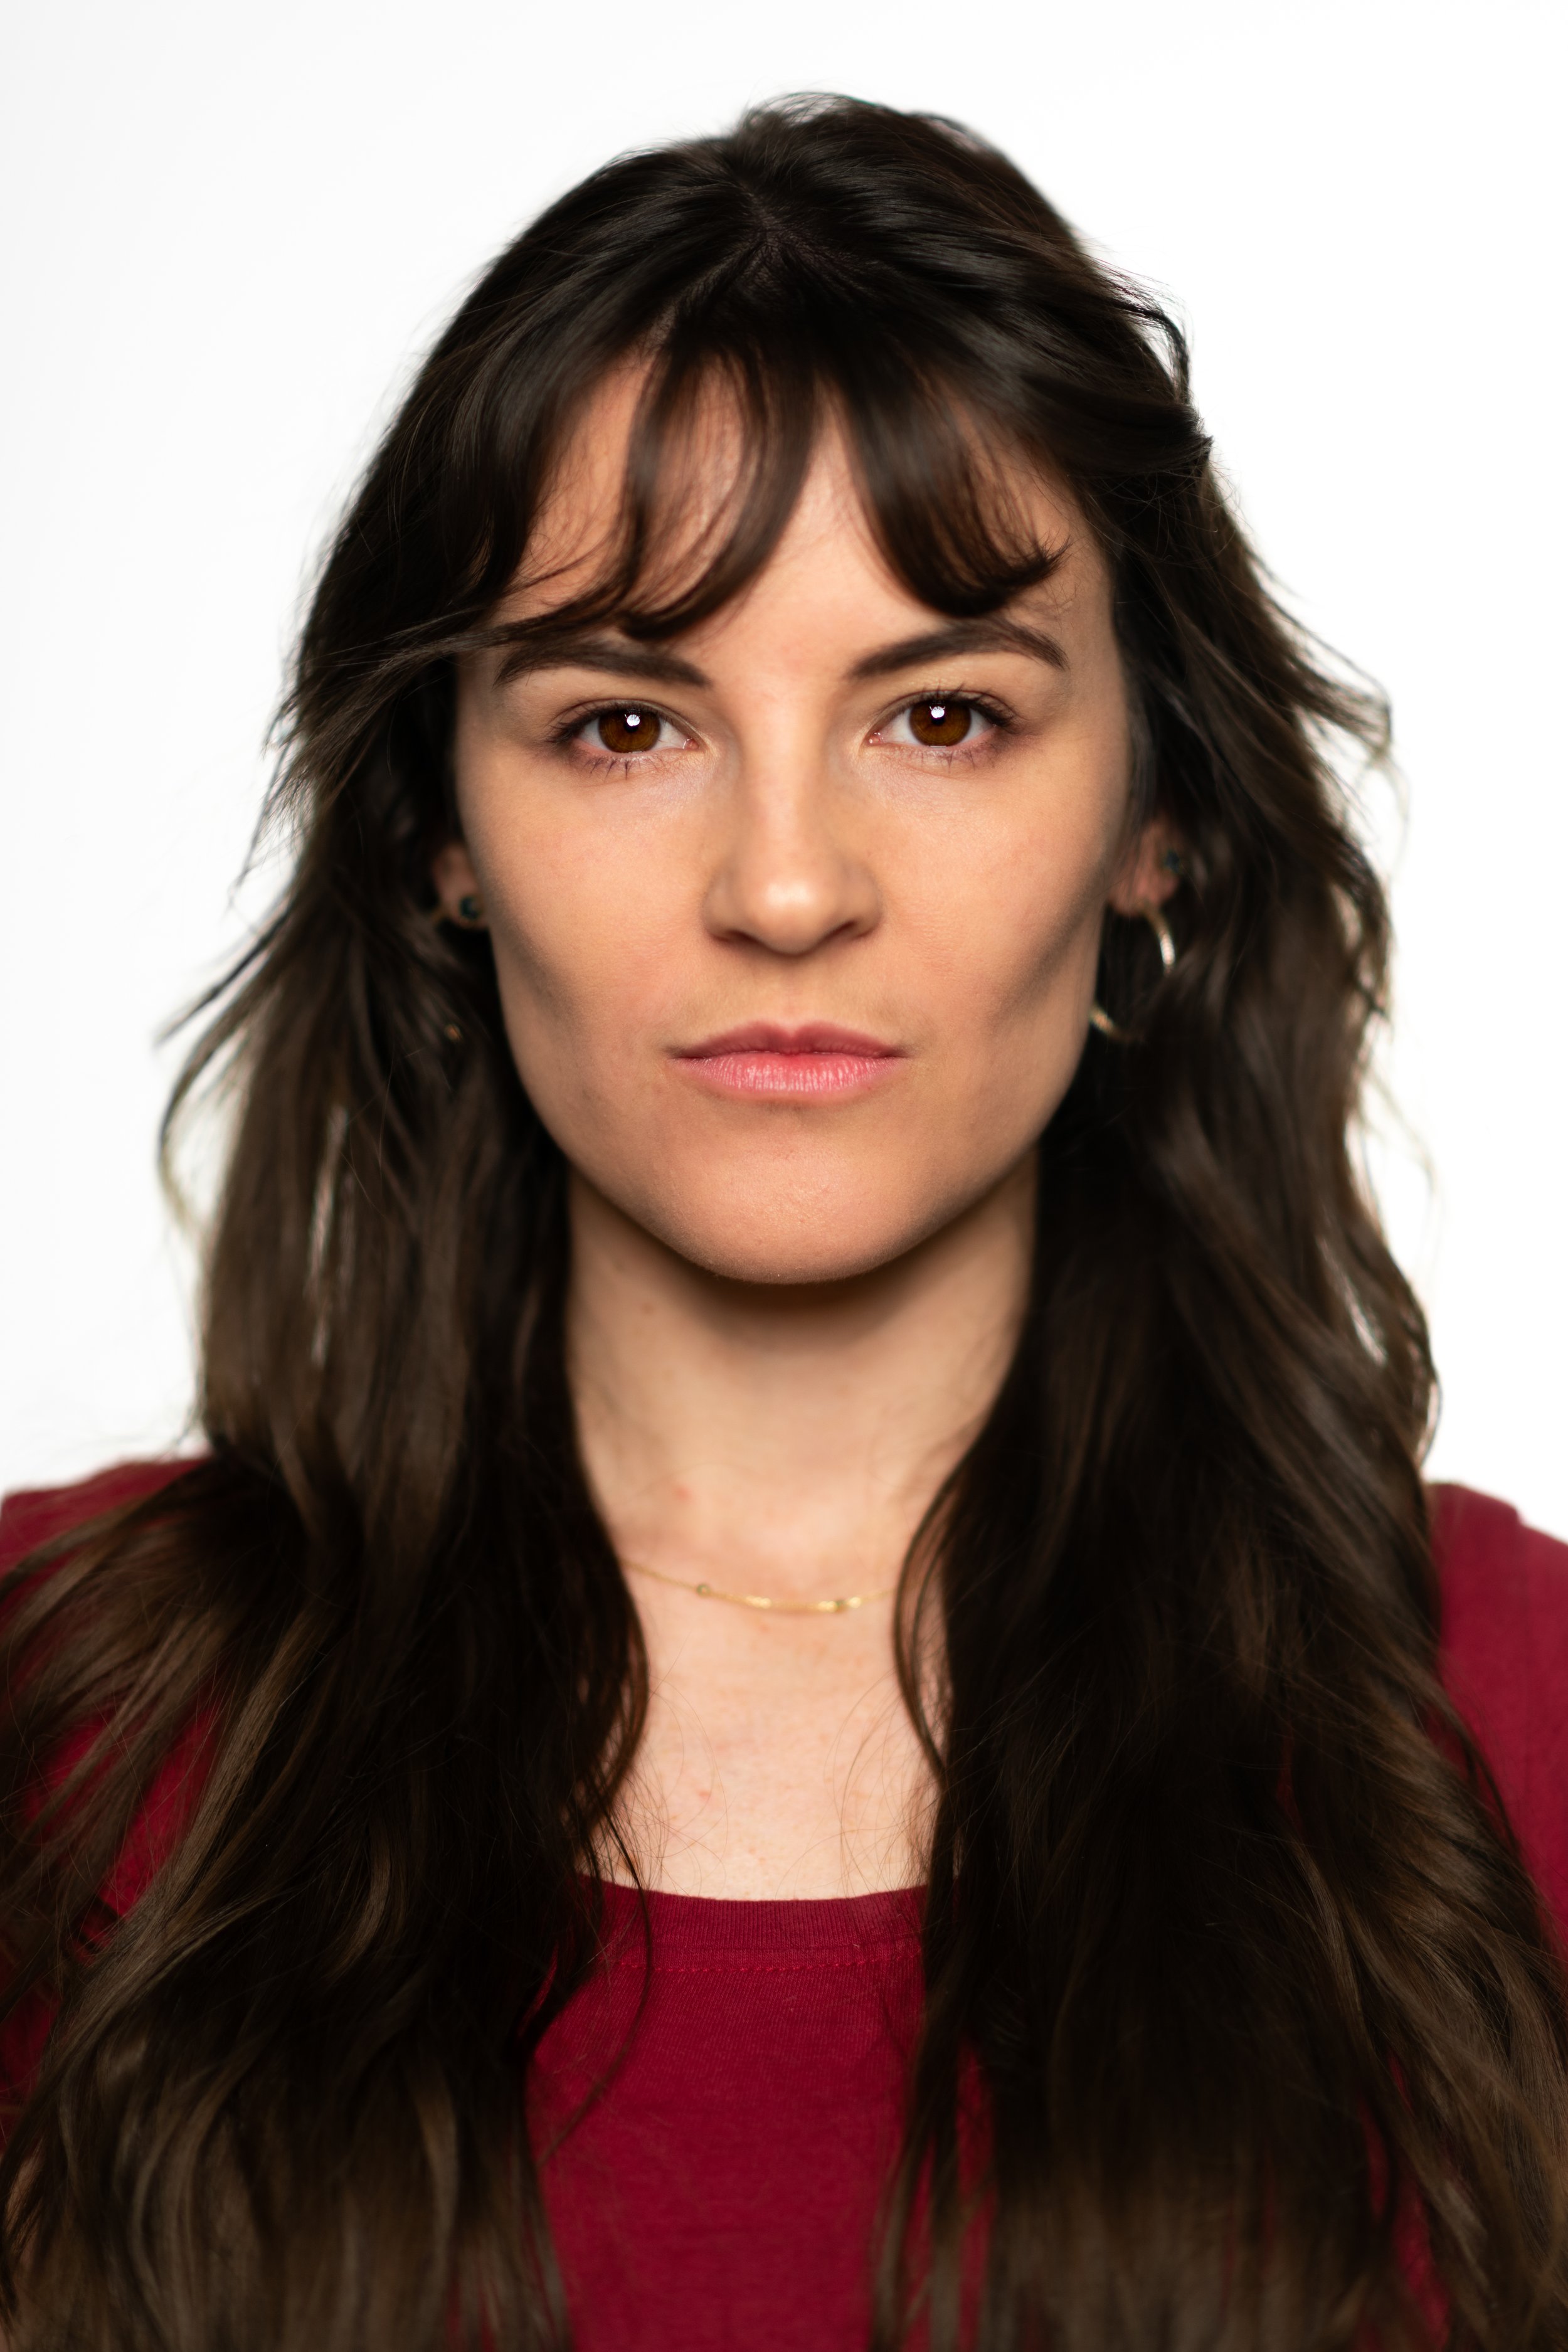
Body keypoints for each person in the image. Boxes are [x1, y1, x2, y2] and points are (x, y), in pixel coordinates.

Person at [1, 93, 1564, 2352]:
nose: (786, 885)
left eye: (940, 715)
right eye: (627, 726)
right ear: (440, 831)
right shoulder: (52, 1722)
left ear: (1156, 824)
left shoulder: (1508, 1729)